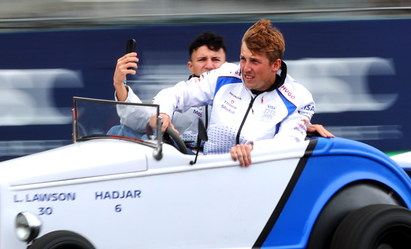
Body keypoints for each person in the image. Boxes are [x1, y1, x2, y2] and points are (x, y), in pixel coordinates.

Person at [119, 19, 318, 167]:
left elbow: (288, 144)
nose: (245, 68)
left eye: (255, 61)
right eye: (243, 58)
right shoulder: (225, 74)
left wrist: (253, 149)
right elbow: (177, 93)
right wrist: (164, 113)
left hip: (257, 172)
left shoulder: (299, 97)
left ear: (275, 65)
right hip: (209, 169)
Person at [113, 31, 227, 145]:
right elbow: (144, 120)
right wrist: (119, 84)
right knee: (118, 131)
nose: (209, 66)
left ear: (226, 65)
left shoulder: (236, 94)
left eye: (215, 60)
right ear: (191, 67)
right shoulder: (178, 94)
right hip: (177, 156)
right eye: (202, 60)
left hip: (214, 158)